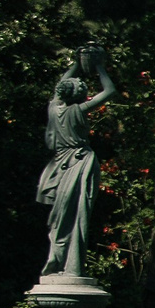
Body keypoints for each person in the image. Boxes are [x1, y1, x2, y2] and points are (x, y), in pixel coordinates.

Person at [36, 45, 116, 279]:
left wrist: (76, 65)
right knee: (75, 212)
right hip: (80, 161)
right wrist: (98, 66)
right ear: (79, 95)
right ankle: (67, 264)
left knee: (64, 214)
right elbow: (109, 90)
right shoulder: (78, 112)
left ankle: (62, 262)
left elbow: (59, 87)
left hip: (61, 164)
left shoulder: (54, 109)